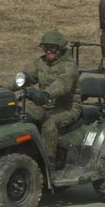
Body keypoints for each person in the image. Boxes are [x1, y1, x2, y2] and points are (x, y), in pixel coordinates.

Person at [20, 29, 80, 167]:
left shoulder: (69, 66)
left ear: (59, 48)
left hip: (67, 107)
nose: (48, 51)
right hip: (45, 104)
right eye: (45, 48)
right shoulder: (41, 63)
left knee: (49, 124)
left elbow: (63, 84)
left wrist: (46, 94)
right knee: (22, 114)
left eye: (51, 48)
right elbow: (24, 78)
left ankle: (49, 162)